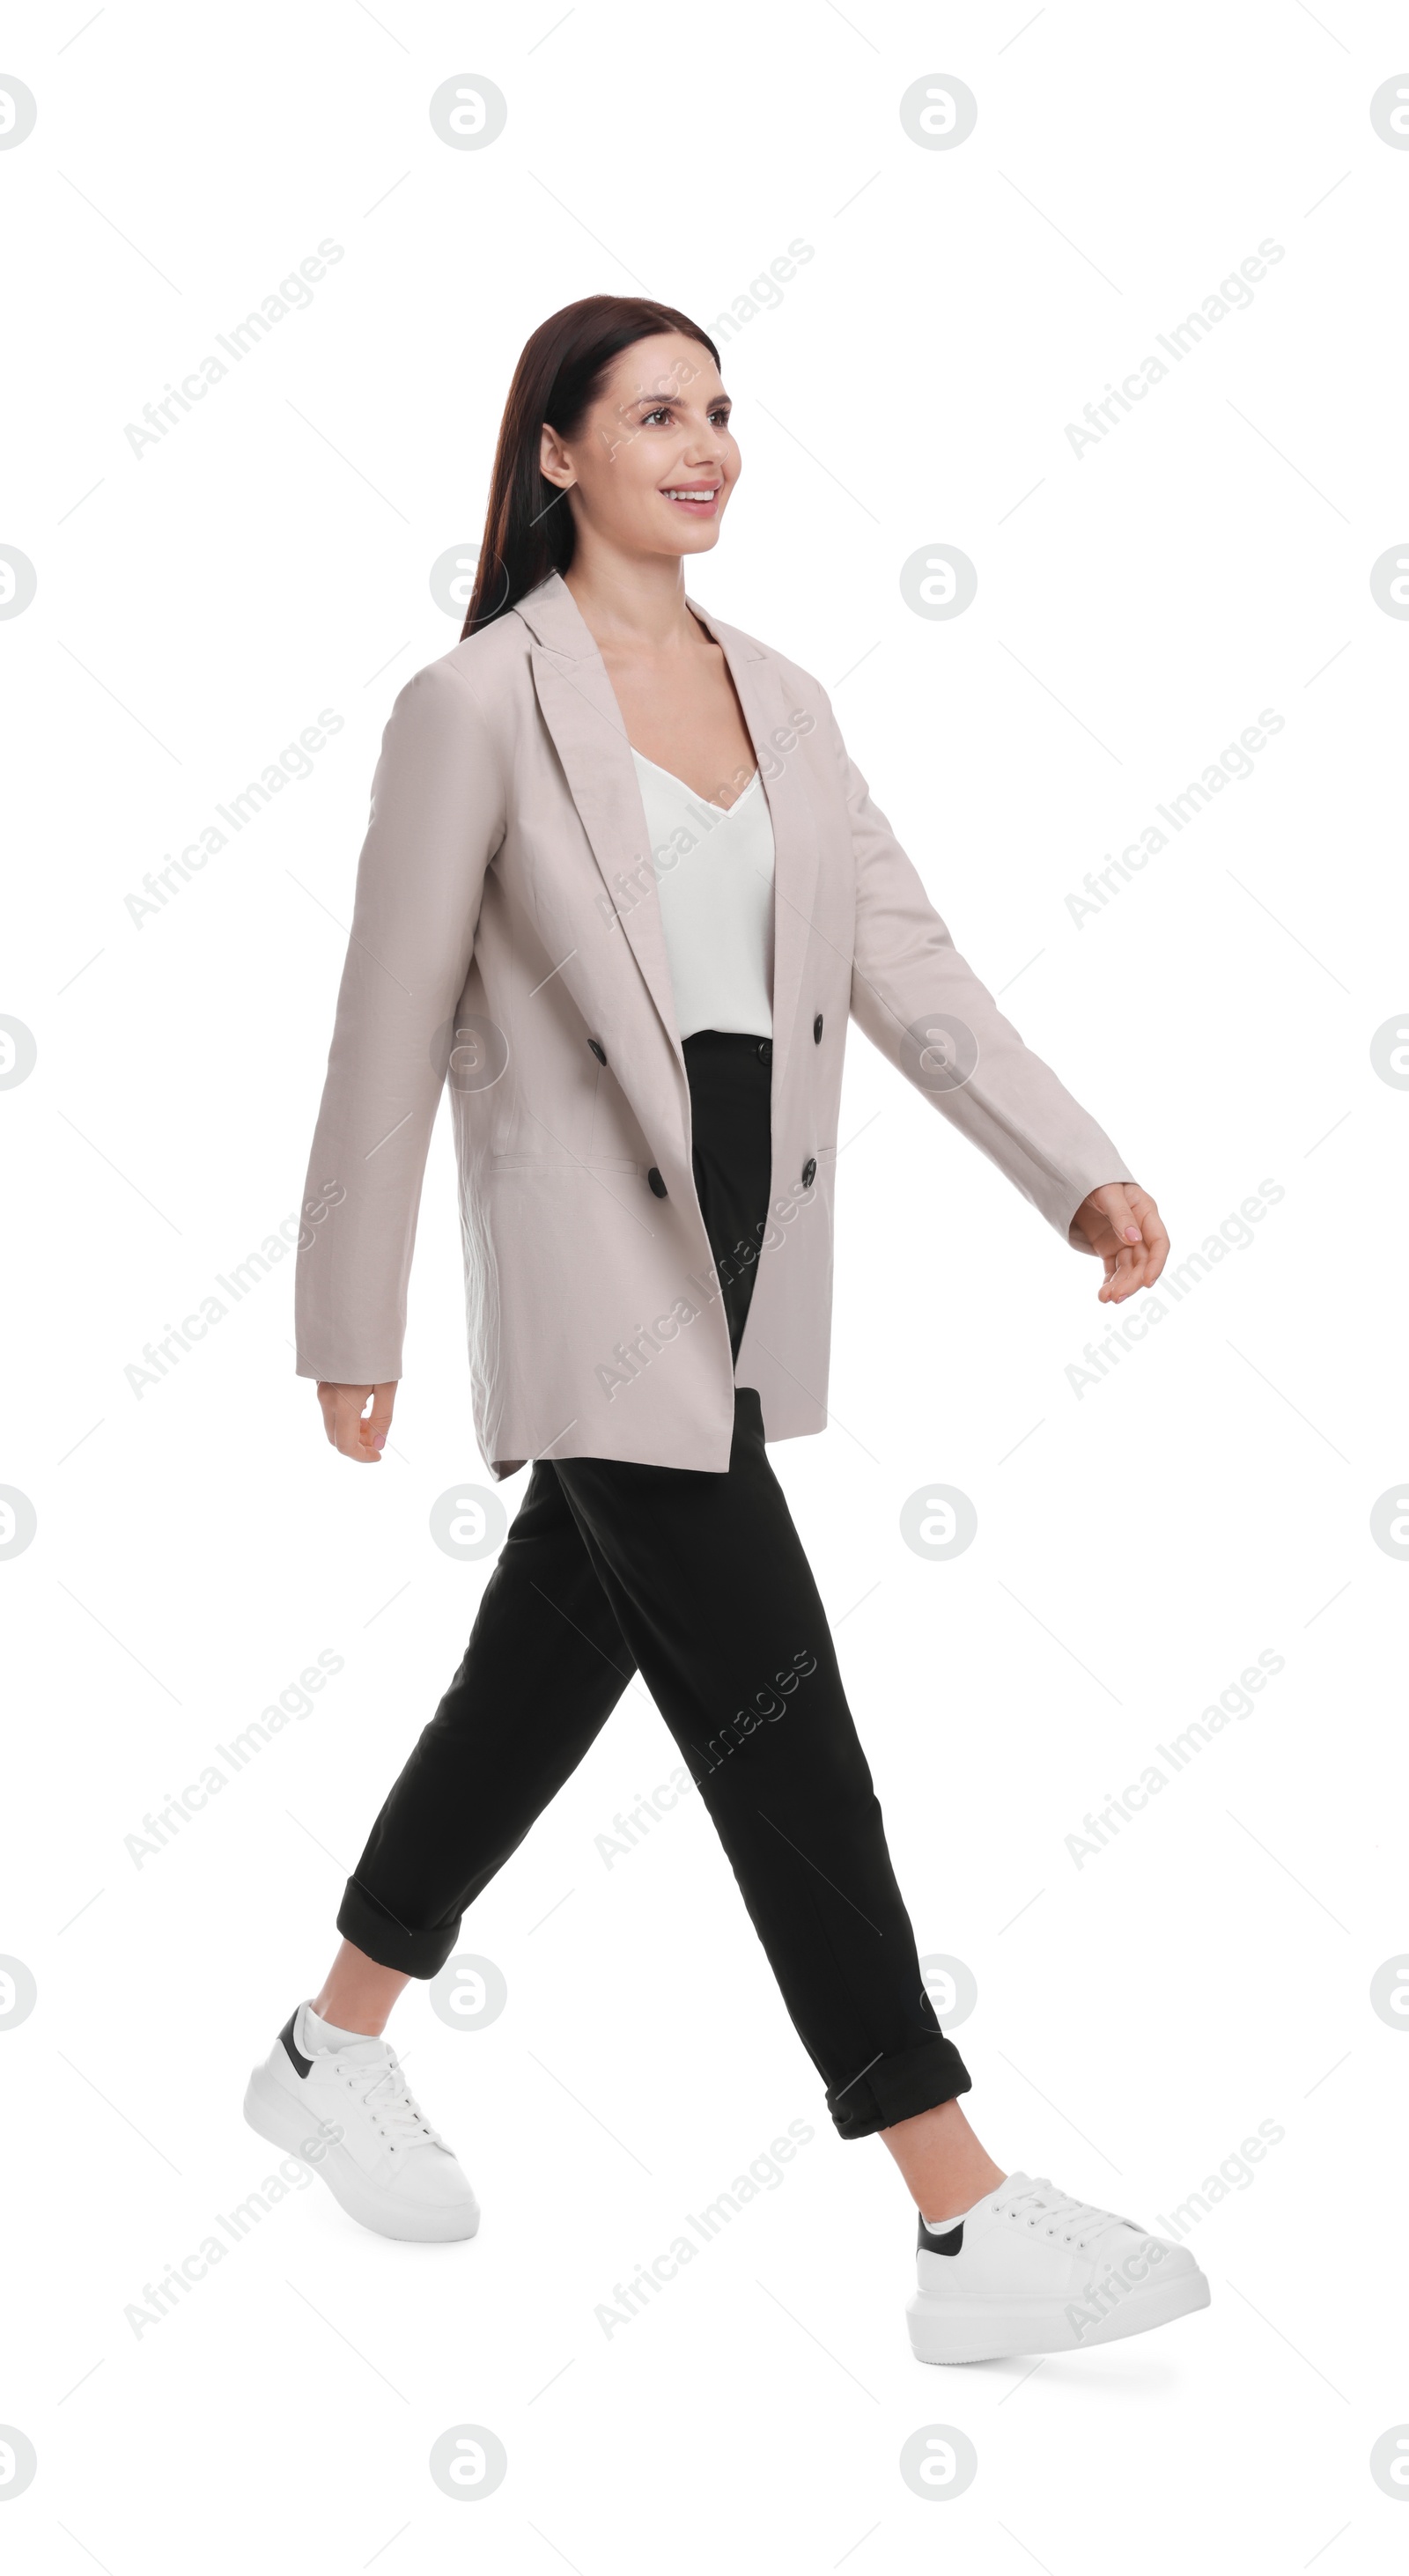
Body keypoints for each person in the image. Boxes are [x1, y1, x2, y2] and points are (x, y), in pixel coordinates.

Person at [244, 294, 1209, 2365]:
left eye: (720, 412)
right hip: (592, 1274)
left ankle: (331, 2043)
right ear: (557, 455)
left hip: (757, 1254)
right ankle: (954, 2210)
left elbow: (902, 959)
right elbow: (385, 1017)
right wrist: (354, 1302)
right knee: (786, 1720)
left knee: (538, 1678)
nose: (703, 445)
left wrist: (1072, 1162)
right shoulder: (471, 704)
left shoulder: (783, 694)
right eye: (654, 413)